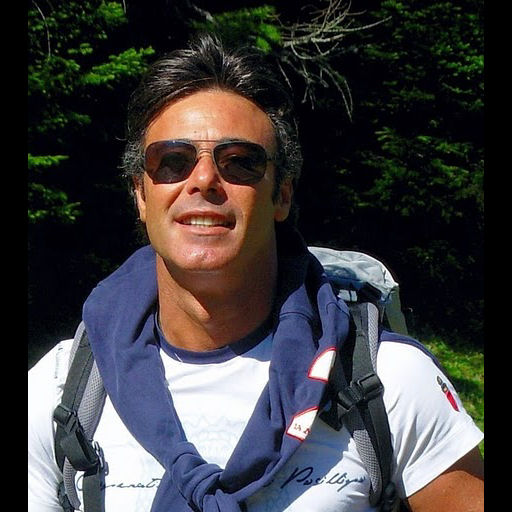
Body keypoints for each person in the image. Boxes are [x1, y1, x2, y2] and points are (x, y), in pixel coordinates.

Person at [28, 33, 484, 512]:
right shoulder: (59, 393)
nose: (204, 180)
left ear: (281, 194)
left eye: (240, 163)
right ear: (141, 194)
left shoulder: (387, 379)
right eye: (173, 161)